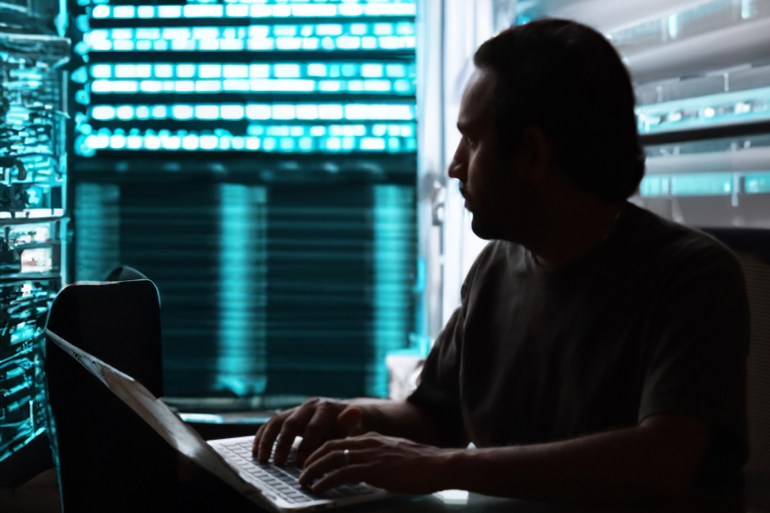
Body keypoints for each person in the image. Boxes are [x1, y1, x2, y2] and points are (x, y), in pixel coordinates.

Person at [252, 19, 749, 503]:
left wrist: (440, 467)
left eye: (472, 139)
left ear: (532, 154)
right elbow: (434, 419)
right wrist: (345, 418)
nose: (453, 165)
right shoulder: (496, 268)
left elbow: (663, 460)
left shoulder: (693, 277)